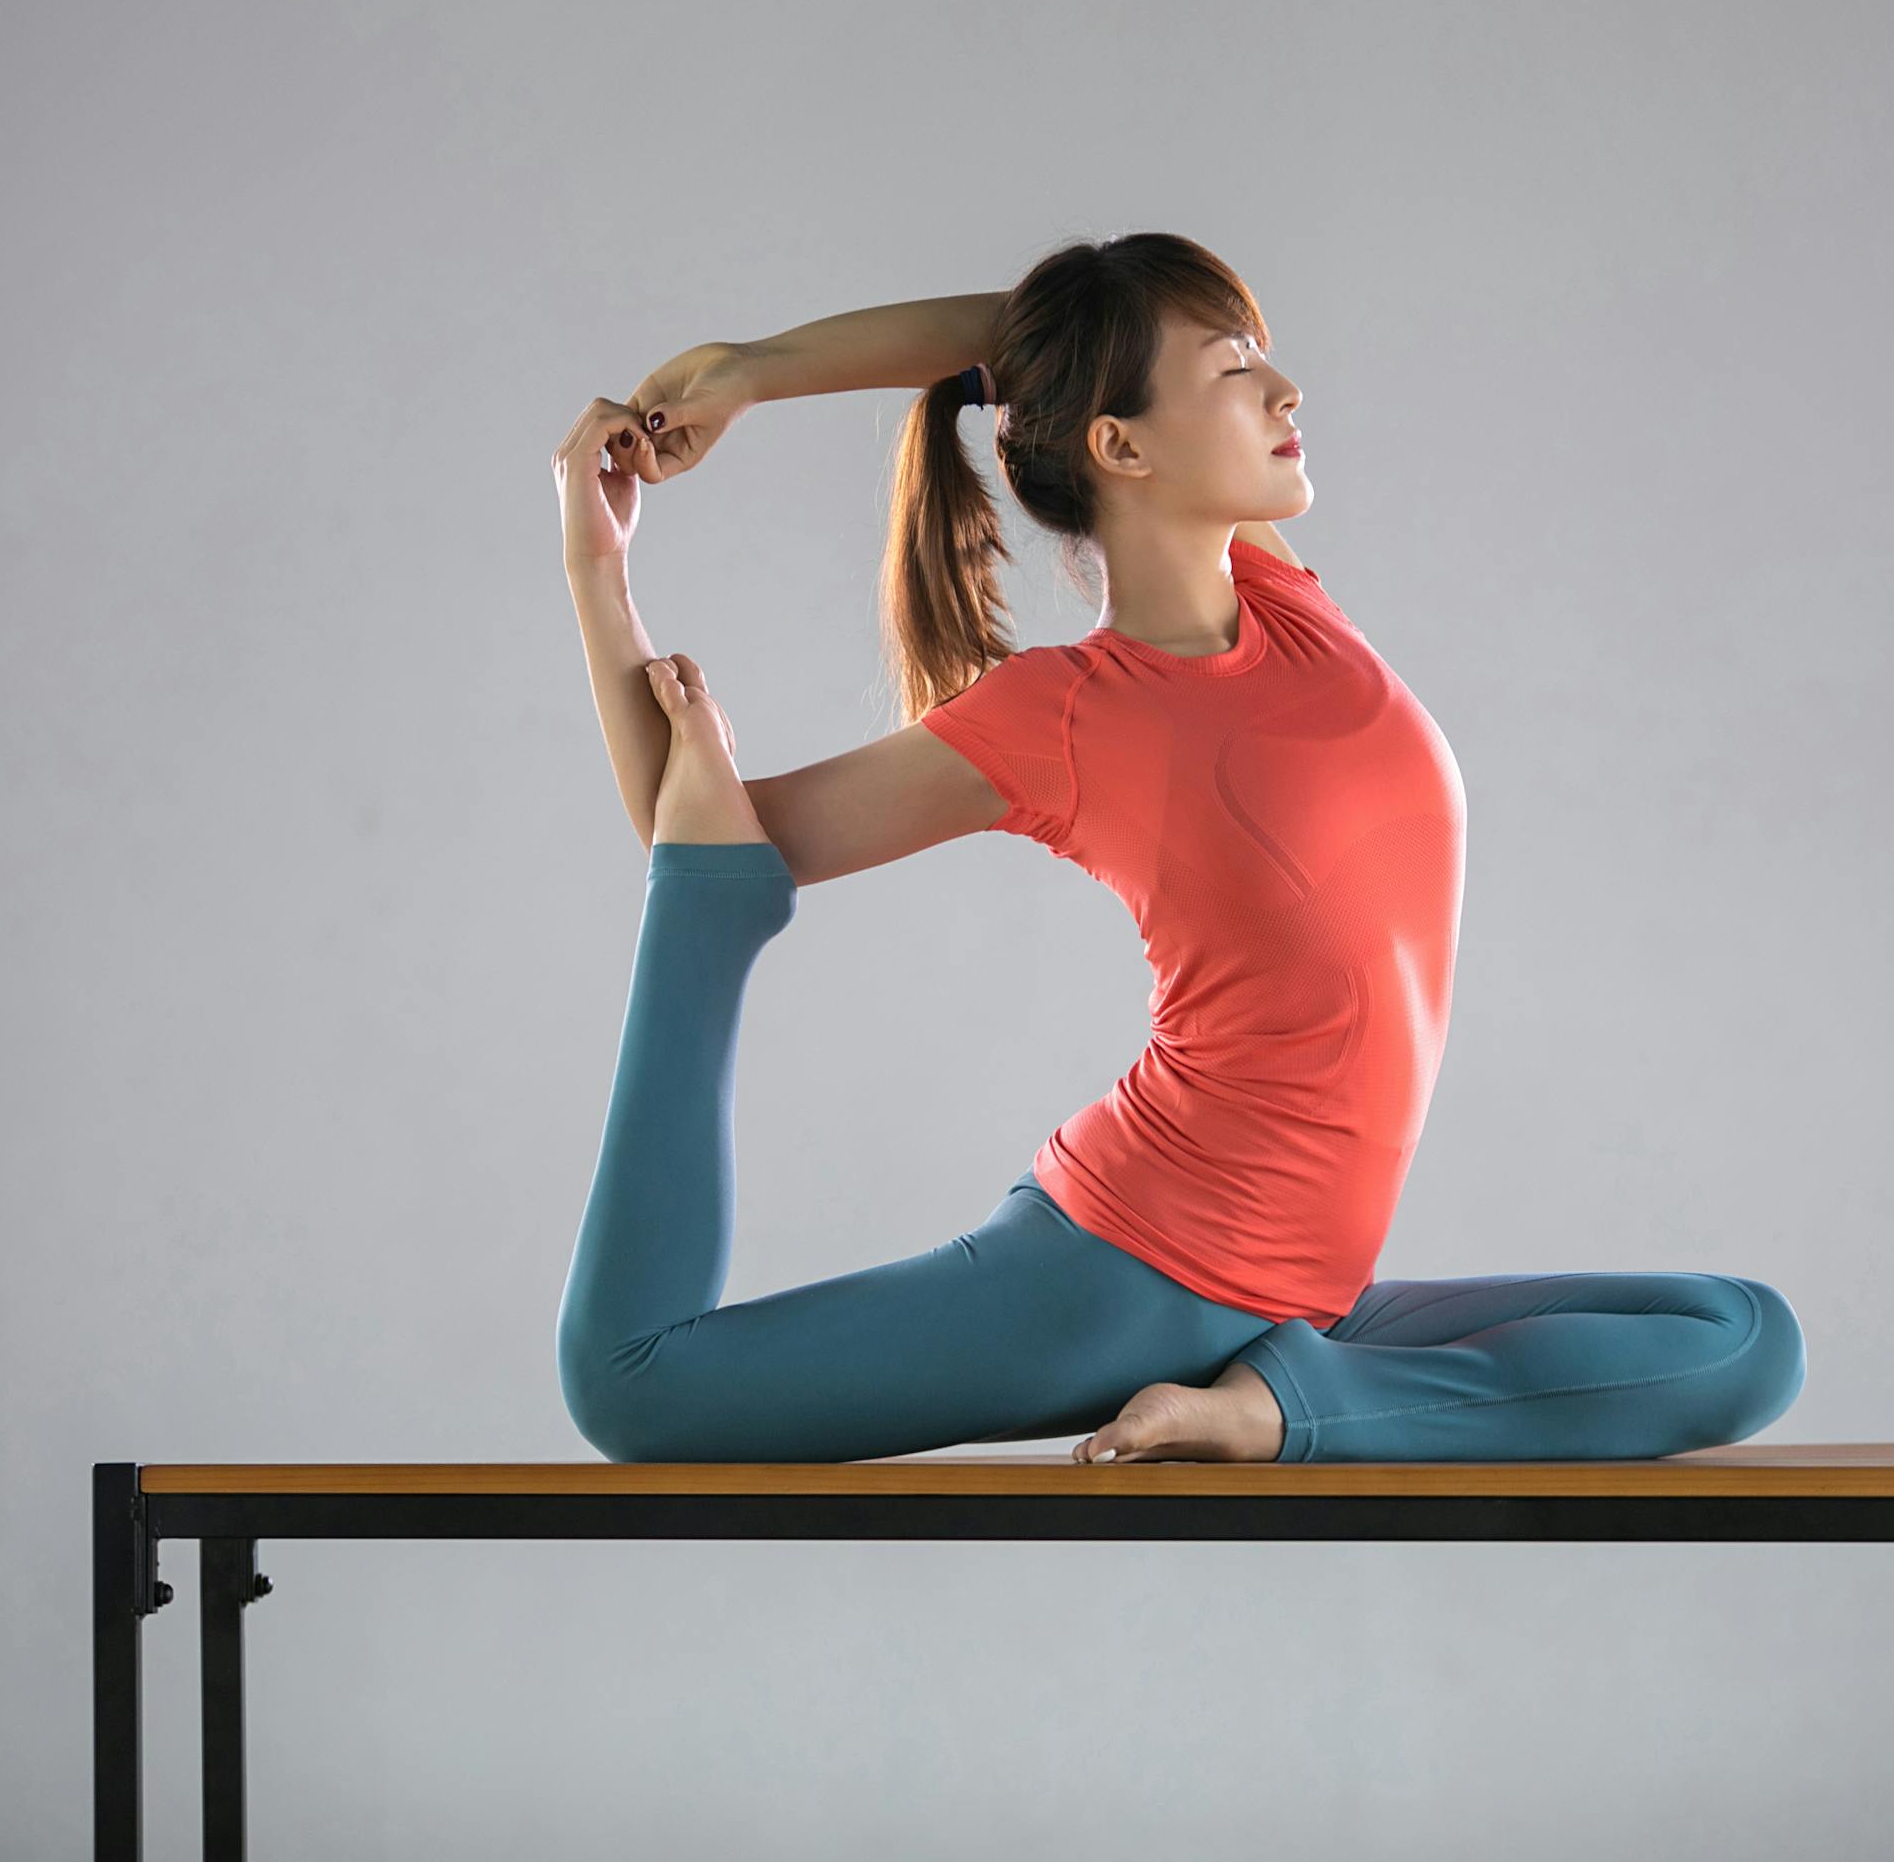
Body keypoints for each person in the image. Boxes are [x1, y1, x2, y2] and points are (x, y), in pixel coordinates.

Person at [544, 232, 1805, 1464]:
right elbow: (703, 826)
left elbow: (1034, 340)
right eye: (1232, 364)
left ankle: (1275, 1406)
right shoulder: (1068, 712)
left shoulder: (1281, 601)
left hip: (1300, 1300)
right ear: (1120, 446)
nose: (1284, 385)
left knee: (1740, 1339)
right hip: (1125, 1273)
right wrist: (598, 563)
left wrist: (756, 368)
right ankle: (1286, 1410)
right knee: (636, 1388)